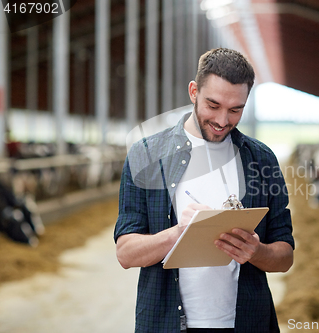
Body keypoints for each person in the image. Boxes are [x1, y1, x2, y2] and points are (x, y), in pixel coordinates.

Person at [114, 48, 294, 333]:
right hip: (166, 324)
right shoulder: (146, 155)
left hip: (246, 322)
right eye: (213, 105)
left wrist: (256, 251)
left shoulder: (261, 160)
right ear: (194, 91)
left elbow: (285, 255)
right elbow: (125, 254)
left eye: (236, 109)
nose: (223, 120)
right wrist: (178, 234)